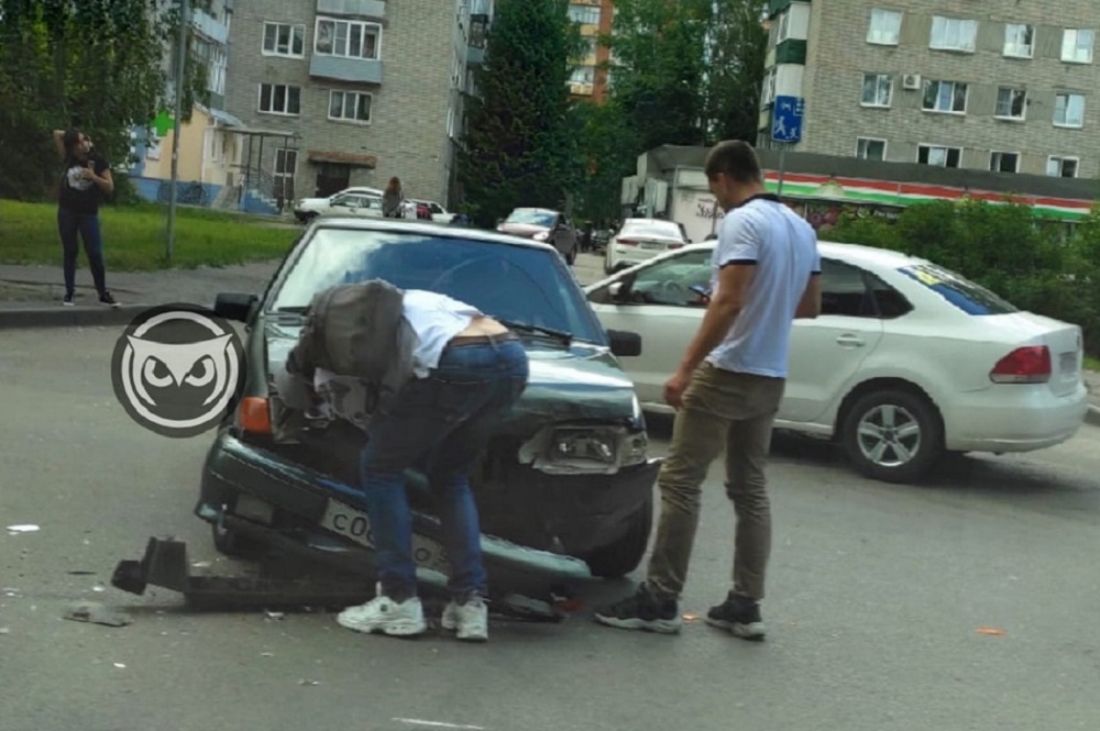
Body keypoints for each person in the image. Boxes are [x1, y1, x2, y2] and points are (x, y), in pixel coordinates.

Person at [594, 141, 821, 640]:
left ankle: (660, 599)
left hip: (729, 368)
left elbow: (731, 302)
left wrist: (684, 368)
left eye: (714, 189)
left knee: (680, 481)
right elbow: (808, 307)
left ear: (722, 178)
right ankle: (744, 604)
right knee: (750, 489)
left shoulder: (742, 222)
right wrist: (744, 303)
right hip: (770, 372)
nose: (716, 199)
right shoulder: (801, 227)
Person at [335, 289, 529, 642]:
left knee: (380, 467)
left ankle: (398, 598)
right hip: (511, 353)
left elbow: (378, 387)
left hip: (460, 358)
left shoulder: (358, 322)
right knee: (450, 475)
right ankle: (470, 604)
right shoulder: (420, 301)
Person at [52, 128, 118, 307]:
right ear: (73, 147)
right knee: (70, 251)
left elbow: (109, 187)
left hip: (88, 213)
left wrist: (94, 177)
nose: (85, 143)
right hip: (67, 210)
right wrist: (73, 136)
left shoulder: (97, 161)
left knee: (95, 252)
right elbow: (57, 133)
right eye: (80, 142)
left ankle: (102, 292)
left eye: (85, 140)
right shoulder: (69, 157)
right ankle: (69, 292)